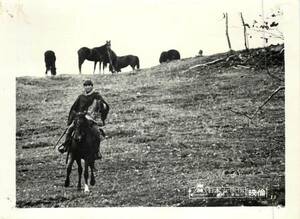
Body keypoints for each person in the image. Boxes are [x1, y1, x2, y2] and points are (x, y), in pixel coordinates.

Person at [58, 79, 109, 160]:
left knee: (96, 132)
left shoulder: (97, 95)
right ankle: (66, 145)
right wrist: (73, 117)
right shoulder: (81, 97)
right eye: (85, 86)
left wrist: (102, 105)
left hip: (91, 118)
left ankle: (96, 151)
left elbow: (104, 105)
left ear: (92, 86)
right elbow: (74, 107)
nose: (87, 87)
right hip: (80, 117)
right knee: (70, 129)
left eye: (89, 85)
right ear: (84, 87)